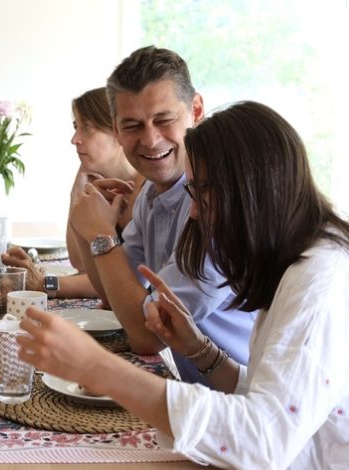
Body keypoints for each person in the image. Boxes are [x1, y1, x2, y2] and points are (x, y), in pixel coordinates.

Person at [18, 101, 349, 468]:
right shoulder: (299, 259)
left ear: (253, 189)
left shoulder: (320, 281)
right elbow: (270, 402)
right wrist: (200, 350)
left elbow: (263, 440)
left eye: (203, 191)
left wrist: (97, 368)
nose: (194, 212)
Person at [68, 46, 255, 384]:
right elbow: (117, 298)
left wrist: (101, 236)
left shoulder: (216, 204)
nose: (151, 140)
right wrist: (87, 226)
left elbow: (147, 337)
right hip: (195, 392)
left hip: (243, 406)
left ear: (196, 110)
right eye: (133, 125)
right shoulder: (152, 193)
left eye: (164, 120)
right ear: (117, 128)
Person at [2, 87, 144, 299]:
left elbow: (122, 279)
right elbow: (79, 262)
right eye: (76, 127)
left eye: (87, 128)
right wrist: (76, 195)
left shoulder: (148, 193)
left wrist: (44, 284)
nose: (75, 139)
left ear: (118, 131)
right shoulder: (101, 189)